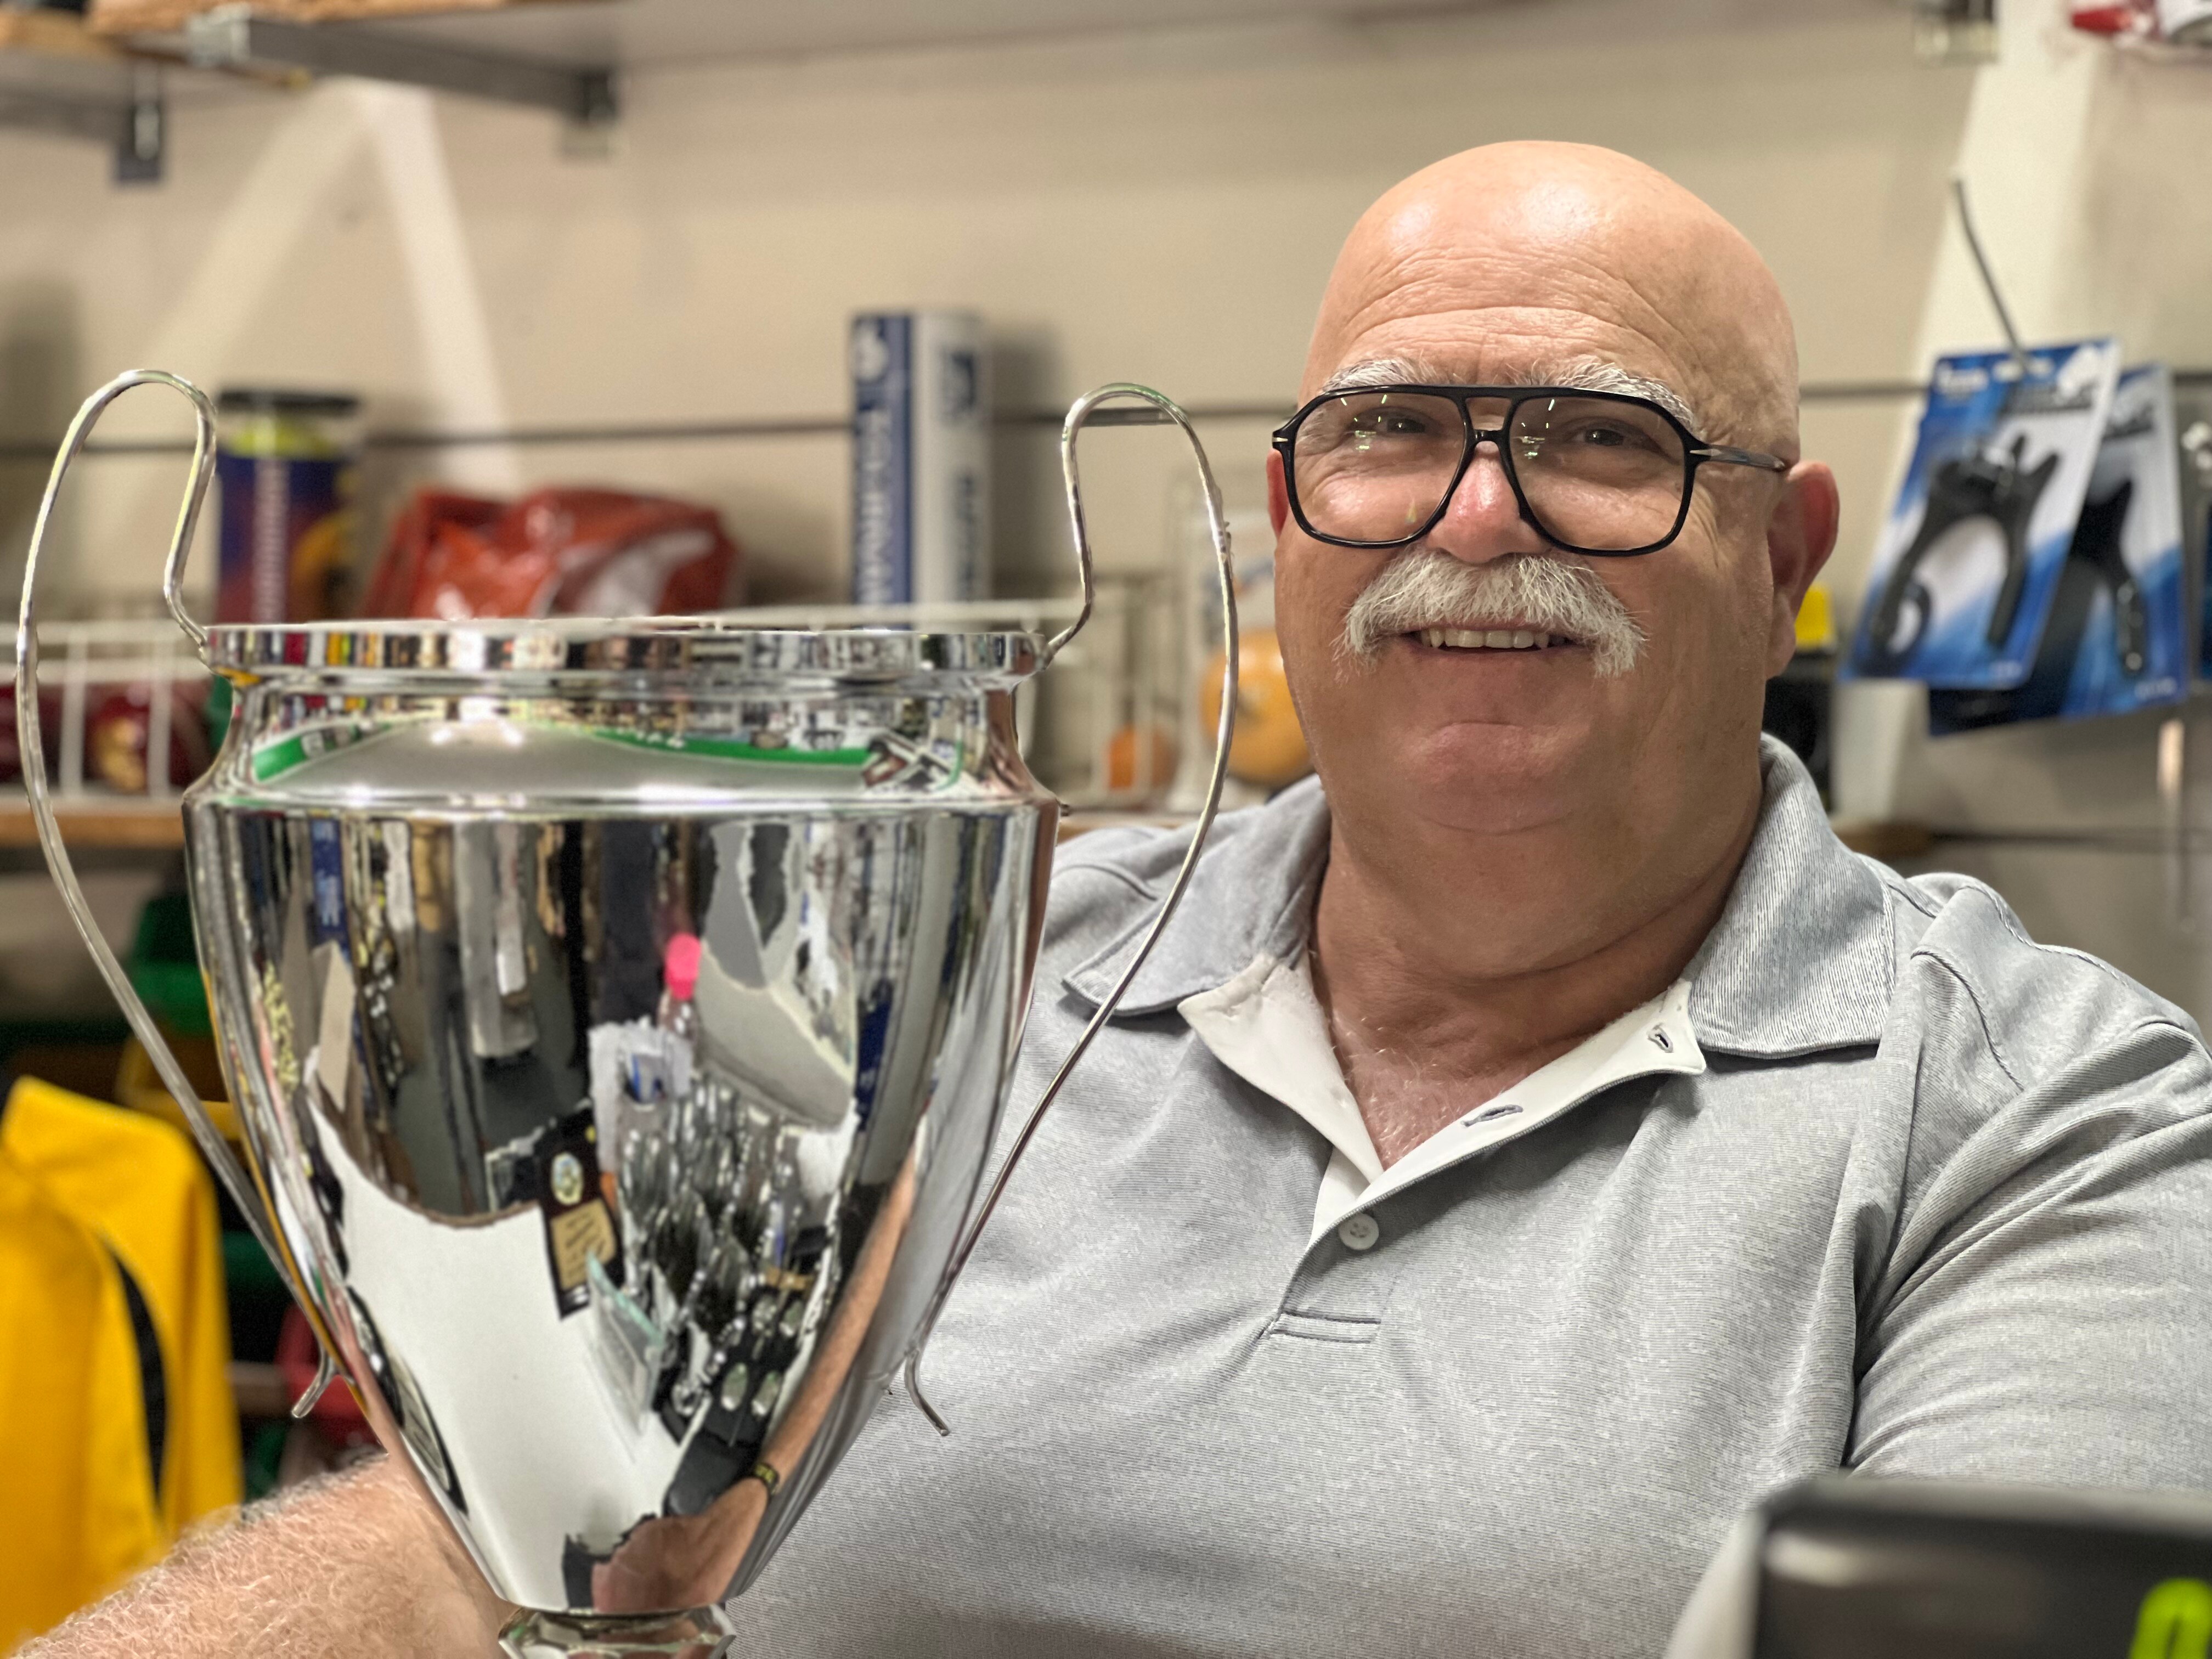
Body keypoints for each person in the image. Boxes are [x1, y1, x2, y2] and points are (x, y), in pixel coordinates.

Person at [33, 141, 2212, 1659]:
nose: (1474, 520)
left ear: (1790, 552)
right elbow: (483, 1558)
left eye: (1603, 439)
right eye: (1386, 435)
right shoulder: (948, 986)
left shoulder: (2052, 1125)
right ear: (1287, 527)